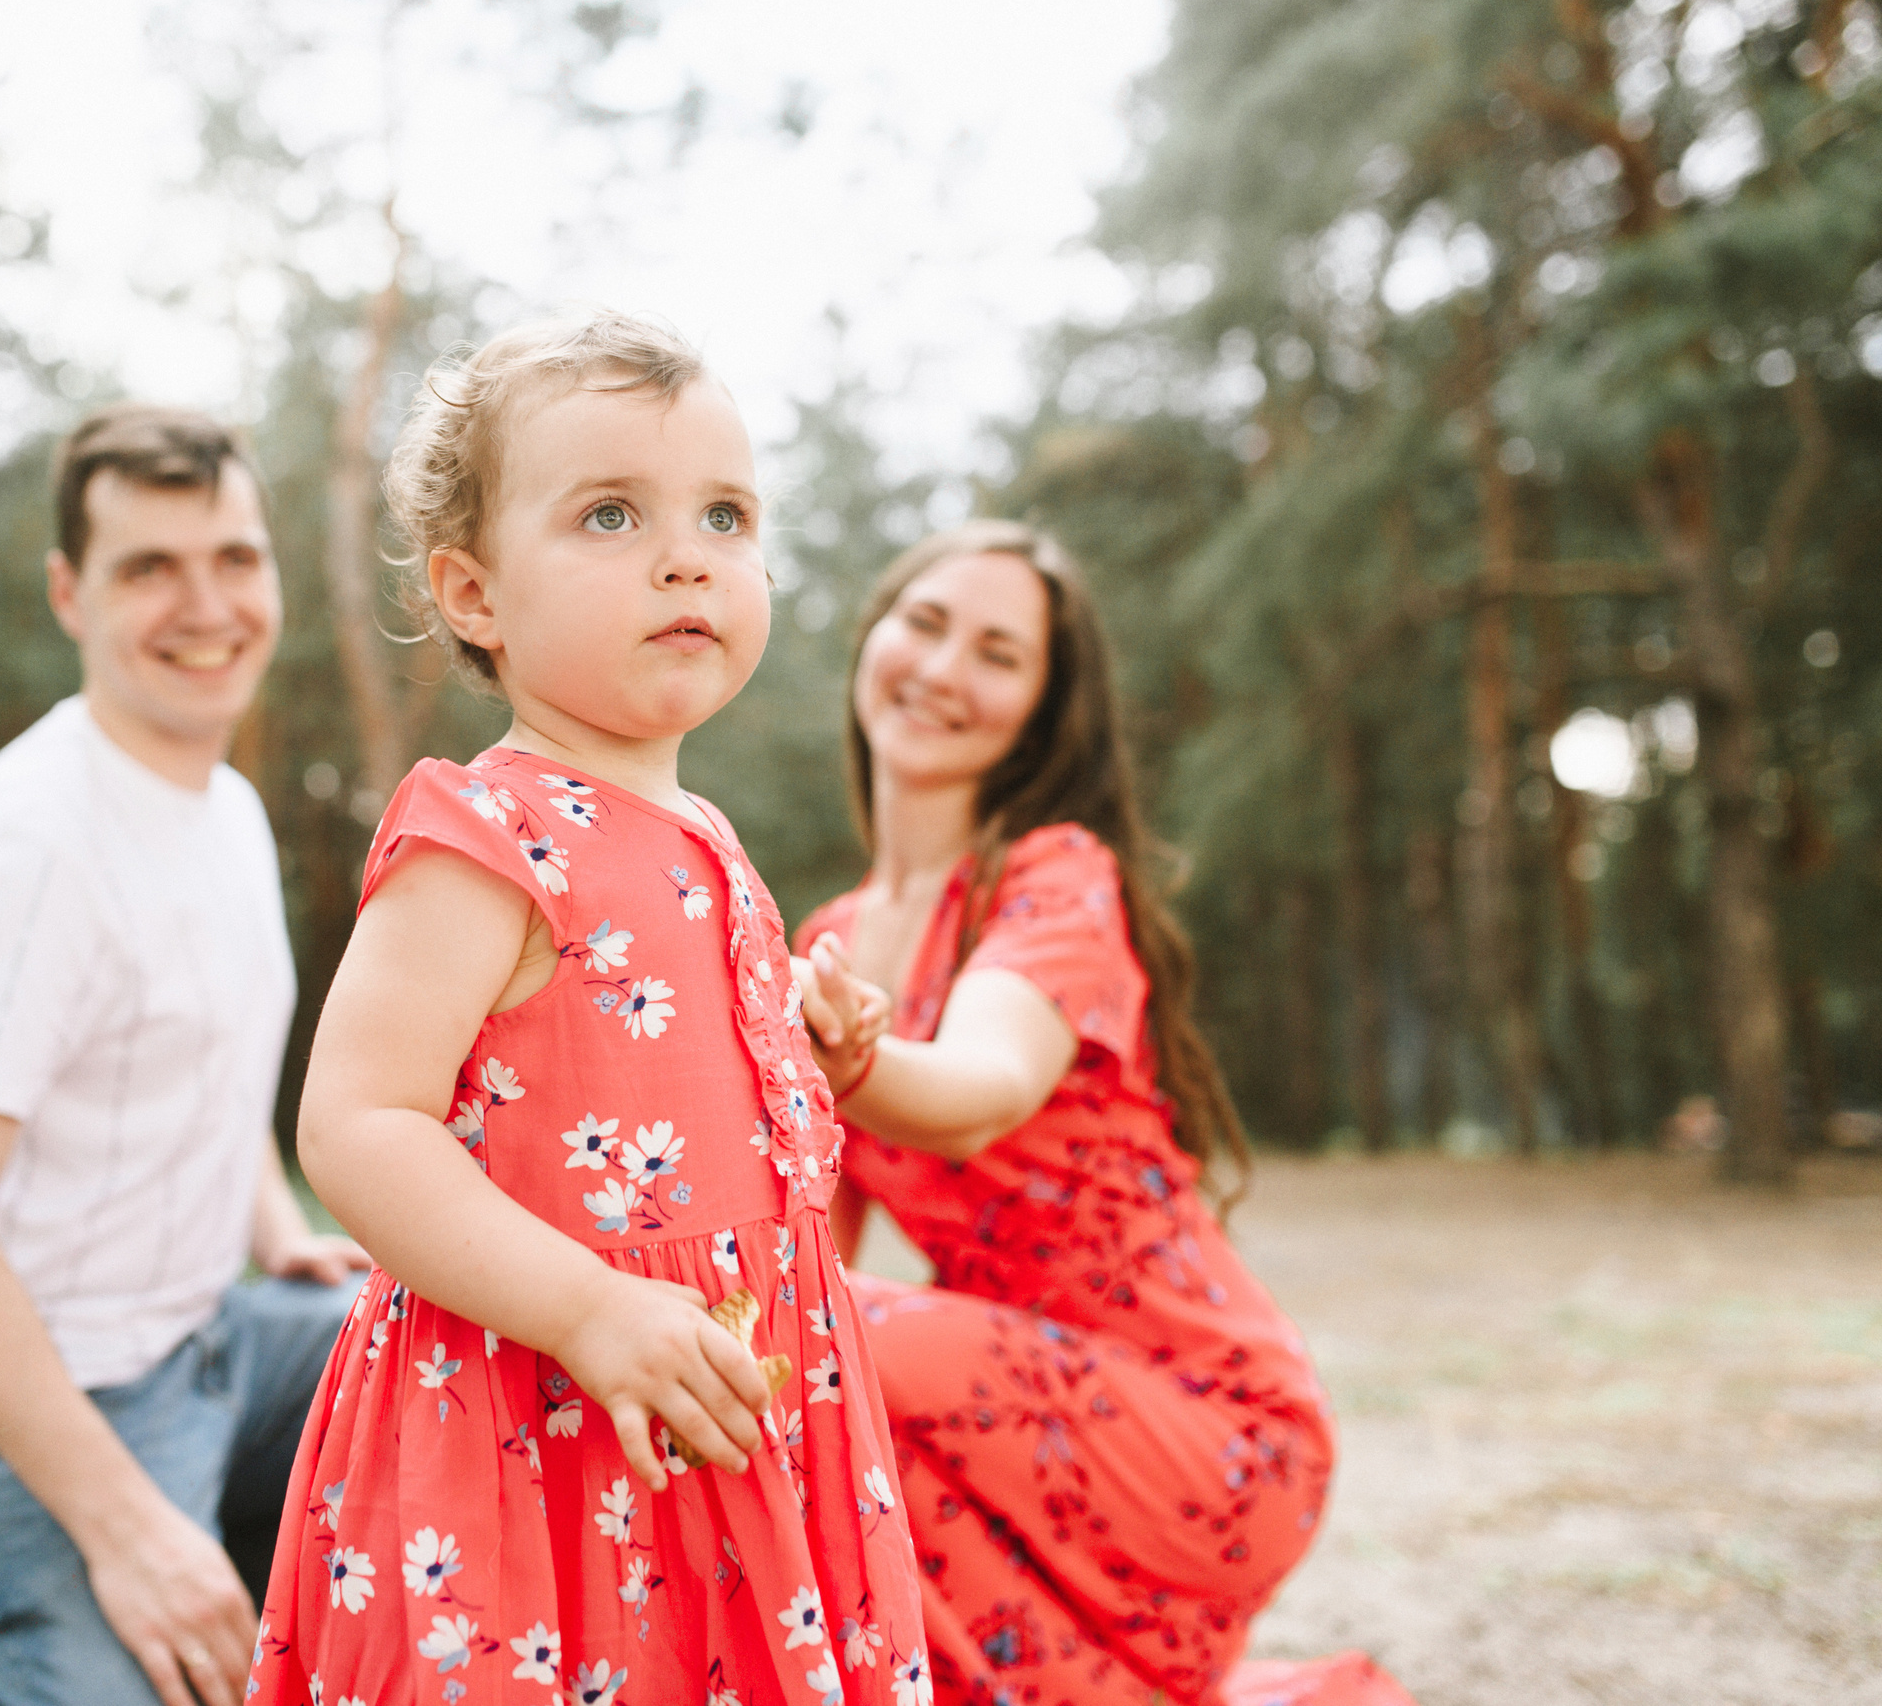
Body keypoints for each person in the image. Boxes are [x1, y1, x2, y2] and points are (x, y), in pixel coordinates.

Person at [248, 311, 928, 1700]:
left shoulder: (708, 833)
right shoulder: (481, 836)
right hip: (540, 1423)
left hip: (726, 1398)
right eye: (610, 514)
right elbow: (358, 1122)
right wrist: (588, 1309)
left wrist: (806, 1046)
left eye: (725, 515)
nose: (687, 556)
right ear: (474, 594)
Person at [791, 521, 1414, 1706]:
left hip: (1214, 1425)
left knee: (808, 1336)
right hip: (1012, 1423)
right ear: (872, 633)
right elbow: (804, 1247)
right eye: (924, 622)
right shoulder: (829, 939)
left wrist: (845, 1059)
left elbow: (977, 1095)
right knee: (786, 1369)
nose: (943, 668)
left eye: (997, 653)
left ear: (1040, 712)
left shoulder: (1053, 875)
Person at [0, 405, 369, 1706]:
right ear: (70, 593)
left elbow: (196, 1060)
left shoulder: (226, 806)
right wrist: (129, 1532)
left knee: (446, 1363)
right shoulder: (30, 846)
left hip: (206, 1335)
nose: (208, 606)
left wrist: (275, 1231)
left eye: (235, 558)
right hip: (27, 1405)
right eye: (150, 568)